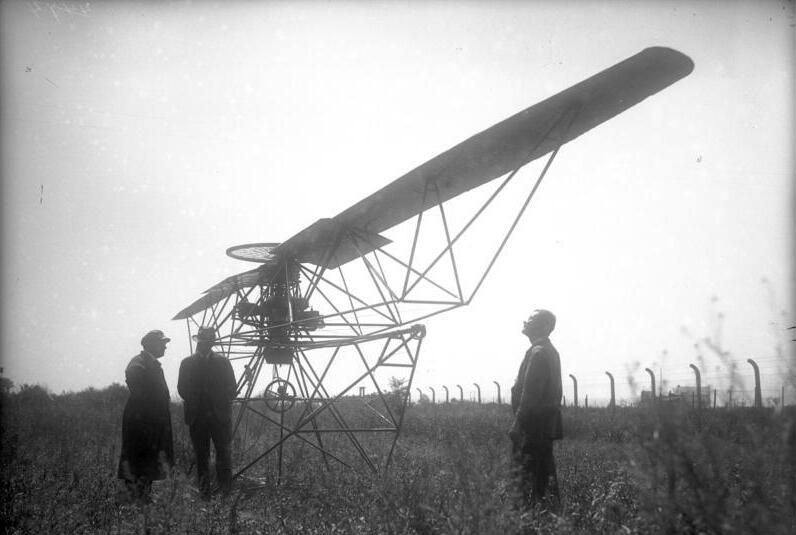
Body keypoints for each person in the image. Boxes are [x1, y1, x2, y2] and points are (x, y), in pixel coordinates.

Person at [509, 309, 563, 505]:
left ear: (546, 327)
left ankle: (524, 522)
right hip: (544, 427)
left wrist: (517, 424)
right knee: (544, 479)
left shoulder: (539, 353)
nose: (527, 322)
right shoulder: (549, 351)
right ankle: (551, 519)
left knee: (523, 480)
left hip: (532, 427)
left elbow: (530, 394)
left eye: (533, 320)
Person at [178, 326, 237, 499]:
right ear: (198, 342)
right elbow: (182, 389)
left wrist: (220, 400)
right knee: (201, 456)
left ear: (212, 343)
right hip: (197, 418)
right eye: (203, 342)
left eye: (209, 342)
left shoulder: (223, 362)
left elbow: (232, 387)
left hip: (220, 417)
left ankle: (226, 494)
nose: (205, 345)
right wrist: (199, 401)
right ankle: (205, 496)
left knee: (224, 455)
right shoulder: (186, 363)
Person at [117, 329, 174, 503]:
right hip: (141, 423)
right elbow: (134, 378)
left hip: (150, 422)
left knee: (147, 459)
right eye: (162, 343)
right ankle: (135, 500)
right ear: (150, 344)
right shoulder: (139, 362)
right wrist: (150, 410)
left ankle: (142, 498)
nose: (165, 347)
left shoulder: (150, 362)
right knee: (138, 459)